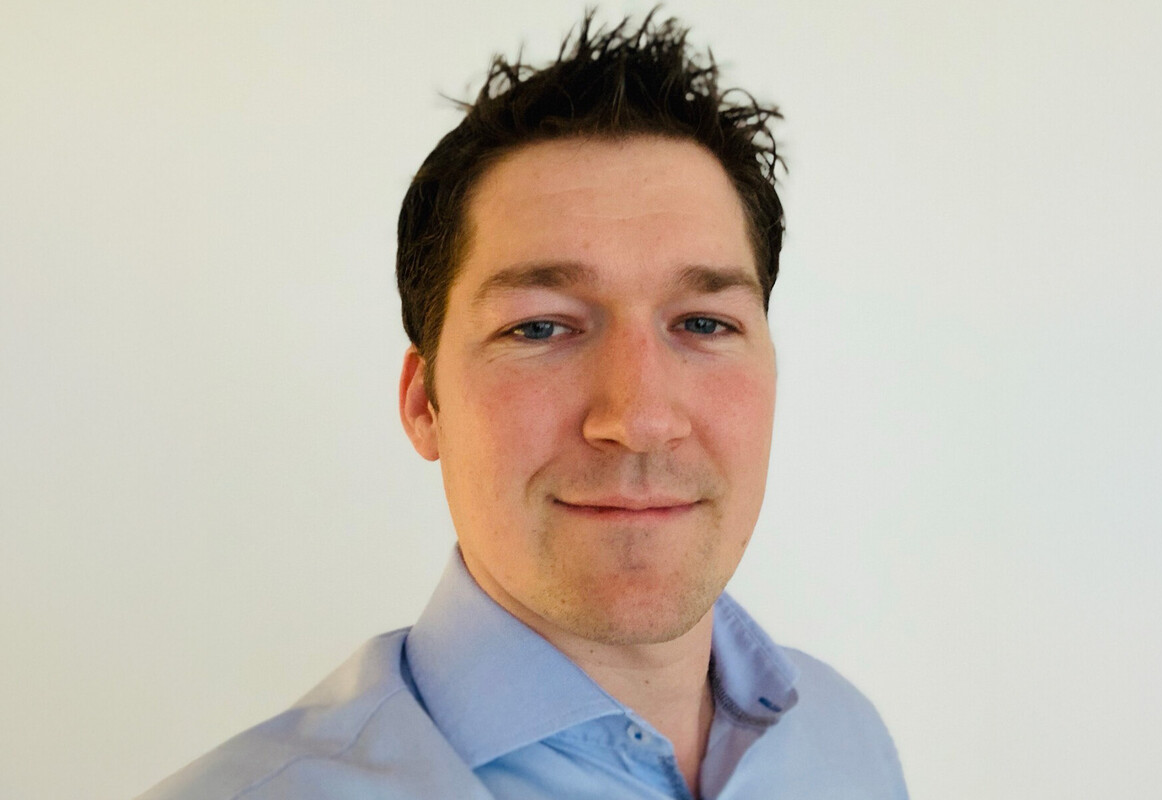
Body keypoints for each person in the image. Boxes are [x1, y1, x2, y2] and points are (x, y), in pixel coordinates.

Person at [138, 11, 907, 800]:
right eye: (540, 327)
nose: (641, 420)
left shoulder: (846, 742)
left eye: (705, 323)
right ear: (424, 404)